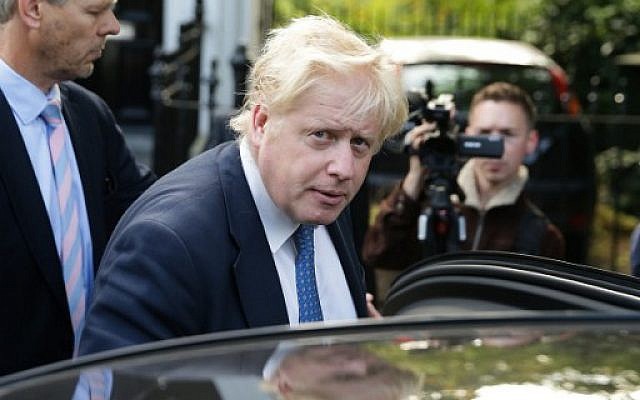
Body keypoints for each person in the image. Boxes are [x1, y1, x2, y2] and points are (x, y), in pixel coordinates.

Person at [78, 15, 407, 355]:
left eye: (360, 143)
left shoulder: (323, 198)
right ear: (262, 123)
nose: (344, 169)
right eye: (322, 136)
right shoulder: (167, 244)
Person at [0, 0, 155, 375]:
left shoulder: (90, 115)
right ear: (33, 9)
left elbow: (152, 218)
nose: (113, 26)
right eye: (95, 11)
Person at [362, 82, 564, 279]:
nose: (493, 146)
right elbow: (377, 254)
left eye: (507, 134)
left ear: (531, 142)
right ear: (467, 136)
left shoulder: (543, 237)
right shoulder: (426, 206)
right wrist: (414, 179)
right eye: (484, 133)